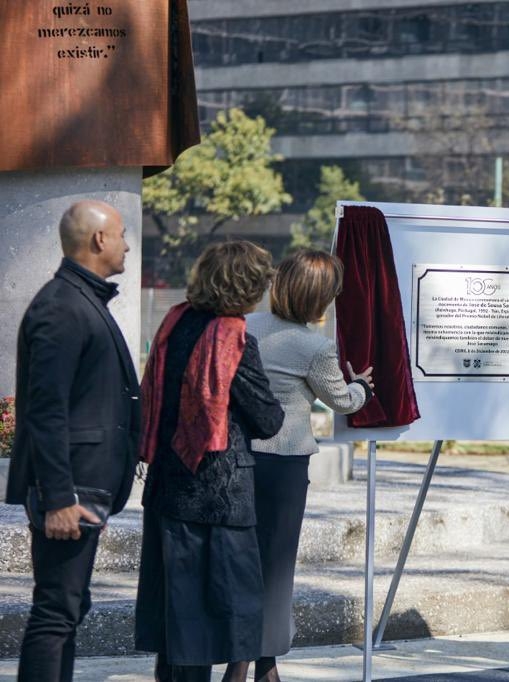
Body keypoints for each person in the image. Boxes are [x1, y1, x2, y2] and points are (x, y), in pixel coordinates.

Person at [133, 241, 284, 682]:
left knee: (179, 614)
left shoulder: (173, 323)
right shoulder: (235, 338)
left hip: (168, 487)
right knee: (230, 609)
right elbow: (268, 419)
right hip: (220, 498)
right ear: (244, 286)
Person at [5, 200, 140, 682]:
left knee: (68, 608)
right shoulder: (62, 307)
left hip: (85, 487)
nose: (127, 243)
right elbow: (45, 411)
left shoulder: (80, 300)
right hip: (71, 493)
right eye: (122, 234)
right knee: (56, 612)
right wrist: (59, 497)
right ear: (100, 240)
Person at [244, 250, 374, 681]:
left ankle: (248, 661)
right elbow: (342, 401)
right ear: (319, 299)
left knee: (241, 561)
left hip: (240, 459)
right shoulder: (315, 348)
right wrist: (361, 387)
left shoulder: (246, 327)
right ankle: (259, 665)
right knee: (276, 567)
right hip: (283, 466)